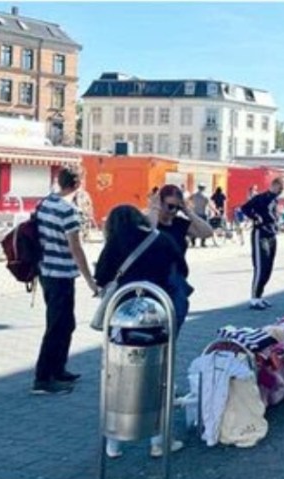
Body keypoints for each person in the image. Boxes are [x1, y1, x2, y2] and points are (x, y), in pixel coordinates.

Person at [96, 205, 186, 458]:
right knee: (159, 375)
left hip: (123, 316)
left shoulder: (115, 242)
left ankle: (113, 442)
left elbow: (101, 275)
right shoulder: (161, 240)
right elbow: (182, 269)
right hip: (157, 312)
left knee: (118, 373)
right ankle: (159, 441)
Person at [32, 169, 97, 396]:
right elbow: (75, 248)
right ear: (78, 185)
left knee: (65, 323)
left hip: (45, 271)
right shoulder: (69, 211)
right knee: (57, 326)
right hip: (61, 274)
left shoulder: (45, 204)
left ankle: (58, 369)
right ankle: (43, 378)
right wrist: (90, 280)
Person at [148, 185, 212, 328]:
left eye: (177, 207)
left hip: (175, 278)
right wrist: (154, 209)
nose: (173, 211)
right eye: (170, 206)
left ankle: (168, 348)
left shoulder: (179, 223)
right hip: (151, 277)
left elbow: (207, 232)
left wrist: (188, 211)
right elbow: (148, 234)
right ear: (160, 202)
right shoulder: (150, 221)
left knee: (174, 319)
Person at [242, 178, 283, 310]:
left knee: (269, 266)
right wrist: (255, 217)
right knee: (260, 266)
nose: (280, 191)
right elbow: (245, 207)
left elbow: (274, 214)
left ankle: (260, 295)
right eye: (279, 188)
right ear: (273, 186)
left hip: (272, 233)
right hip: (261, 233)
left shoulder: (275, 200)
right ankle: (254, 297)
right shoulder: (261, 197)